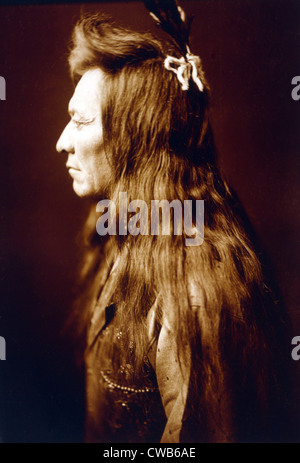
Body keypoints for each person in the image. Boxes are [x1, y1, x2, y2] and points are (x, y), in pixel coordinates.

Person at [56, 3, 289, 443]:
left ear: (134, 141)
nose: (62, 142)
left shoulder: (195, 288)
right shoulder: (126, 235)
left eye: (81, 121)